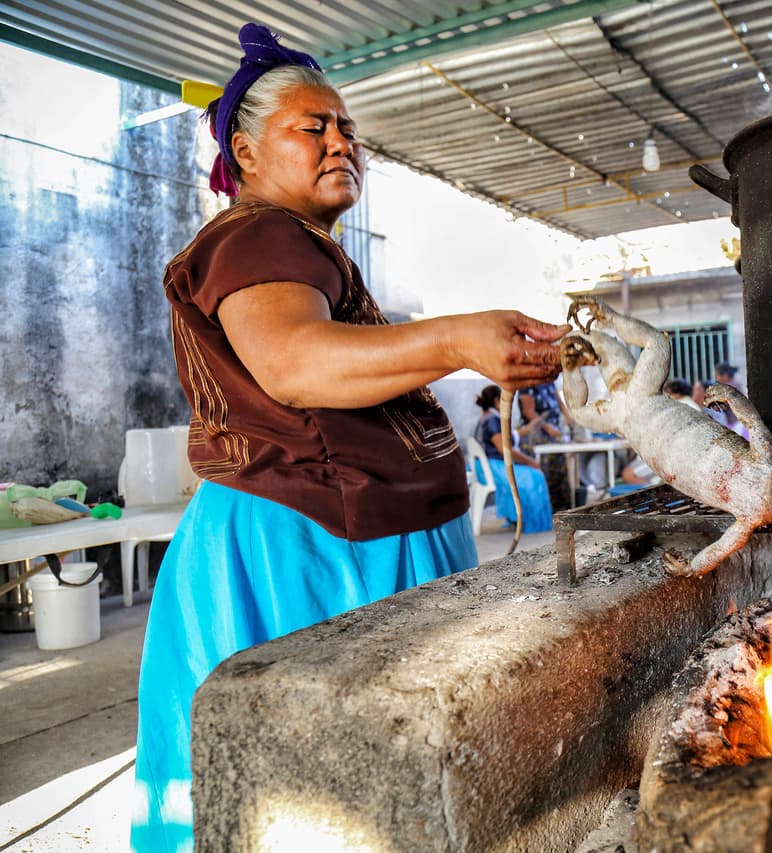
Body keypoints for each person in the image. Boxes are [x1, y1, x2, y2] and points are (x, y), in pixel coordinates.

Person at [131, 24, 566, 852]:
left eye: (347, 129)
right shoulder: (258, 235)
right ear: (247, 153)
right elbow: (295, 363)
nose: (342, 142)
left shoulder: (303, 248)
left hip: (337, 537)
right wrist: (457, 340)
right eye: (314, 127)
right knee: (332, 800)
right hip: (306, 548)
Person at [474, 384, 554, 530]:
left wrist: (529, 428)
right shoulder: (492, 420)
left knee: (527, 473)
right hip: (492, 467)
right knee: (535, 476)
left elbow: (507, 438)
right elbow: (504, 450)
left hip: (486, 465)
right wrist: (530, 461)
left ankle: (516, 518)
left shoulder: (487, 417)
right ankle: (533, 522)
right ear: (497, 400)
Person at [516, 381, 571, 510]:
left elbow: (560, 403)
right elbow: (529, 412)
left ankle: (562, 508)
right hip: (536, 435)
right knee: (546, 471)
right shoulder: (527, 384)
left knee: (560, 469)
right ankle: (546, 508)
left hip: (554, 434)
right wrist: (548, 427)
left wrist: (569, 417)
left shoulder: (549, 382)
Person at [708, 362, 749, 438]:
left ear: (725, 376)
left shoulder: (729, 387)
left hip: (734, 422)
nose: (715, 378)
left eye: (717, 375)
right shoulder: (734, 383)